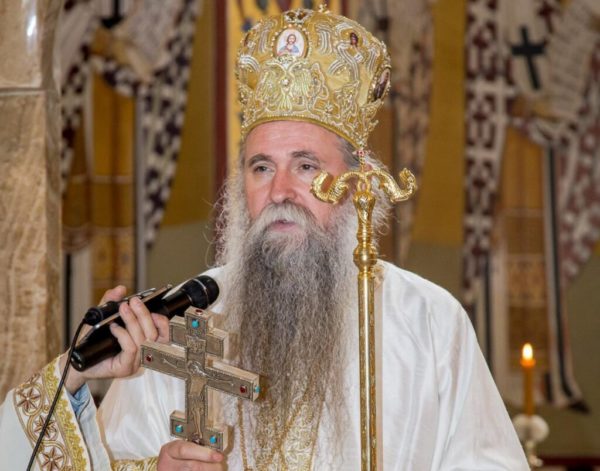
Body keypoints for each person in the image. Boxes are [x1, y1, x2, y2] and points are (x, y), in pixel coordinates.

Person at [0, 7, 529, 470]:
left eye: (306, 166)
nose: (280, 191)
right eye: (261, 167)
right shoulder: (181, 323)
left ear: (356, 184)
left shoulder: (428, 322)